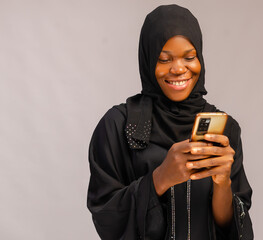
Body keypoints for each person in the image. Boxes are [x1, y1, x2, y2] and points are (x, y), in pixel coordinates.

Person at [87, 4, 253, 240]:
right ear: (148, 61)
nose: (178, 69)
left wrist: (222, 182)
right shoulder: (119, 125)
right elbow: (105, 218)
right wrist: (160, 178)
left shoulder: (225, 129)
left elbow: (230, 229)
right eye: (164, 59)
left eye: (189, 57)